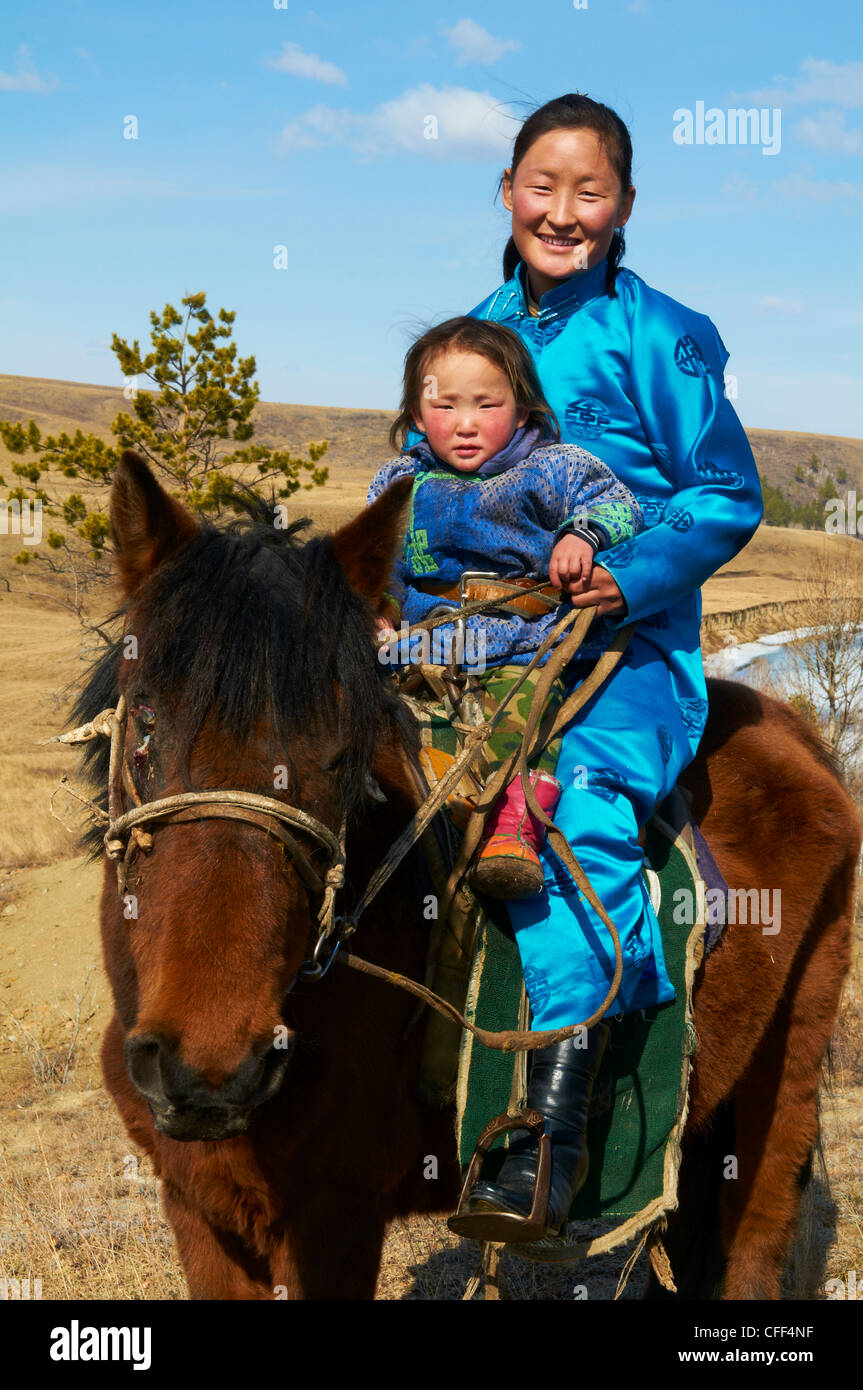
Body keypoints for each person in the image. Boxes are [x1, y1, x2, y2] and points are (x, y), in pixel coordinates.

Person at [401, 93, 764, 1241]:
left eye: (587, 190)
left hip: (623, 645)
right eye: (540, 187)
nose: (561, 211)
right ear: (504, 193)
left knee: (576, 814)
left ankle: (552, 1142)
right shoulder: (475, 334)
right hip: (477, 645)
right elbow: (430, 467)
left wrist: (626, 573)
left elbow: (725, 494)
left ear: (622, 206)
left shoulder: (664, 333)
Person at [367, 315, 643, 899]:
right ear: (417, 416)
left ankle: (519, 811)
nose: (465, 424)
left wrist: (582, 535)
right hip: (420, 641)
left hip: (521, 638)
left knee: (510, 719)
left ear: (522, 409)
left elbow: (620, 504)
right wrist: (379, 609)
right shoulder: (401, 480)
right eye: (444, 407)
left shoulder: (552, 466)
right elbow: (380, 559)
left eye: (486, 404)